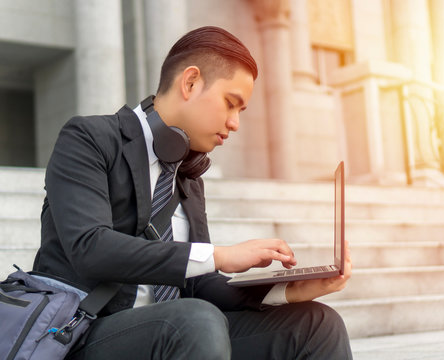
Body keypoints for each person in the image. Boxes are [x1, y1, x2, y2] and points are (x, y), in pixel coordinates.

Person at [33, 26, 353, 359]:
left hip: (185, 333)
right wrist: (220, 255)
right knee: (196, 319)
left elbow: (200, 284)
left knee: (317, 324)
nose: (235, 124)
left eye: (240, 112)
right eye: (231, 104)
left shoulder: (187, 178)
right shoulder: (89, 138)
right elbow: (90, 248)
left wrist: (288, 290)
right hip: (83, 335)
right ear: (190, 82)